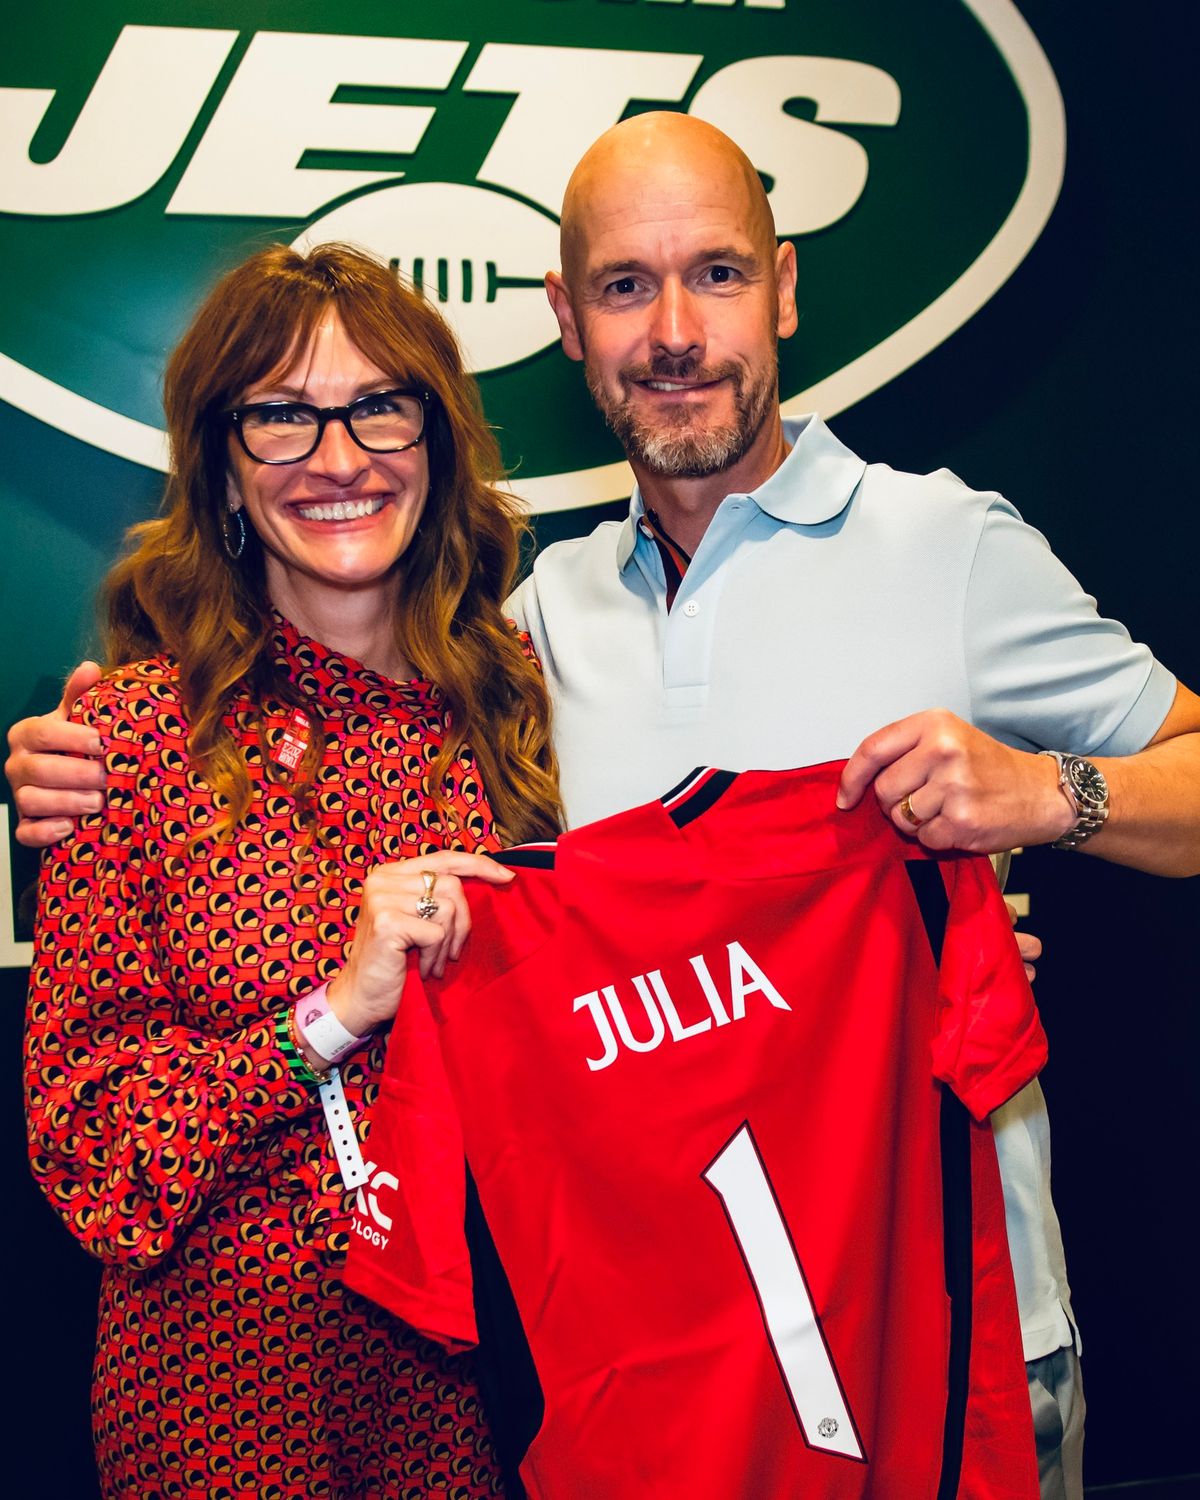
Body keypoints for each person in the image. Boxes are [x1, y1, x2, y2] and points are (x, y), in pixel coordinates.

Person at [10, 113, 1200, 1495]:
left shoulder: (943, 546)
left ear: (790, 287)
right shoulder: (530, 640)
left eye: (720, 274)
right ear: (570, 323)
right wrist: (78, 760)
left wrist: (1040, 802)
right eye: (629, 287)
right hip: (646, 1371)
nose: (677, 331)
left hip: (946, 1335)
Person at [19, 241, 562, 1499]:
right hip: (219, 1408)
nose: (337, 458)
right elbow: (92, 1147)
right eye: (281, 417)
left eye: (380, 405)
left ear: (435, 442)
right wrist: (328, 1015)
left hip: (466, 1400)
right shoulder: (130, 739)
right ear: (220, 464)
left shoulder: (515, 715)